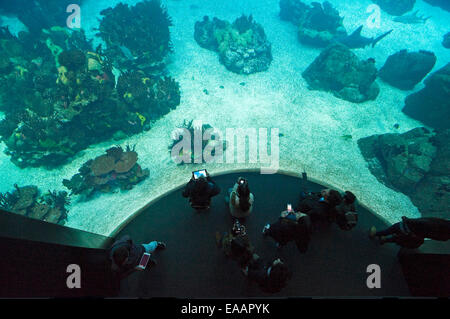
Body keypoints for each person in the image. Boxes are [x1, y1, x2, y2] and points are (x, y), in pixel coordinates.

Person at [369, 216, 450, 248]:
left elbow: (423, 222)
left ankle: (375, 234)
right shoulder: (445, 237)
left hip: (405, 227)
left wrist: (406, 219)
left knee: (390, 230)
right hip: (411, 236)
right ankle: (385, 240)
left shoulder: (438, 223)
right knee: (400, 237)